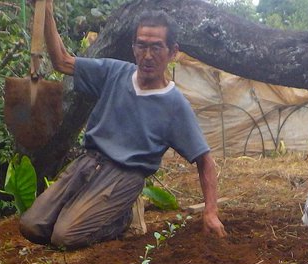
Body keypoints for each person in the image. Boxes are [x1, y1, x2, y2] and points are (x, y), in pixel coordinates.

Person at [19, 3, 226, 248]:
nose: (148, 55)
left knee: (65, 236)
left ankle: (122, 218)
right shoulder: (114, 72)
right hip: (87, 163)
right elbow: (62, 62)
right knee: (31, 225)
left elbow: (205, 160)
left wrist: (210, 211)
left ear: (173, 52)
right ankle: (90, 214)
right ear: (133, 48)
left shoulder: (174, 105)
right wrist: (47, 13)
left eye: (156, 47)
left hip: (124, 177)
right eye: (142, 45)